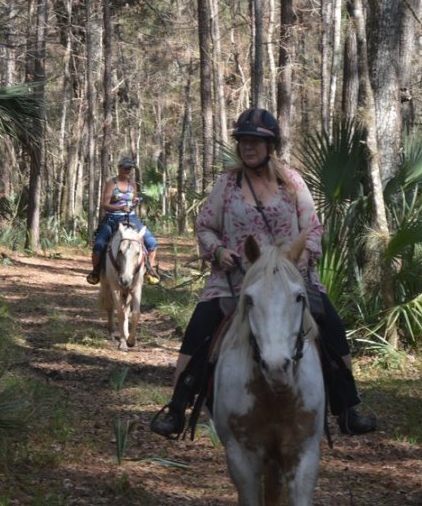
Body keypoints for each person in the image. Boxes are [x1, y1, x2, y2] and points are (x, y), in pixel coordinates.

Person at [150, 108, 377, 438]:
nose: (248, 147)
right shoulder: (227, 185)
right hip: (236, 281)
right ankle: (177, 406)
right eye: (243, 141)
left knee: (330, 324)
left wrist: (302, 256)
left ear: (271, 146)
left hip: (288, 280)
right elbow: (205, 226)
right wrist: (218, 251)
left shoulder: (292, 182)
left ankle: (347, 407)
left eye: (256, 141)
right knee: (200, 327)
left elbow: (313, 229)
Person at [86, 155, 160, 286]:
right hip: (112, 218)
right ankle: (96, 272)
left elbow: (133, 200)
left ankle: (149, 270)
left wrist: (135, 202)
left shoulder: (132, 184)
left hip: (131, 217)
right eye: (125, 167)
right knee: (99, 245)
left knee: (151, 242)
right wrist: (119, 207)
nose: (127, 170)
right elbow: (105, 204)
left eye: (129, 168)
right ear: (119, 168)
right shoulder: (111, 183)